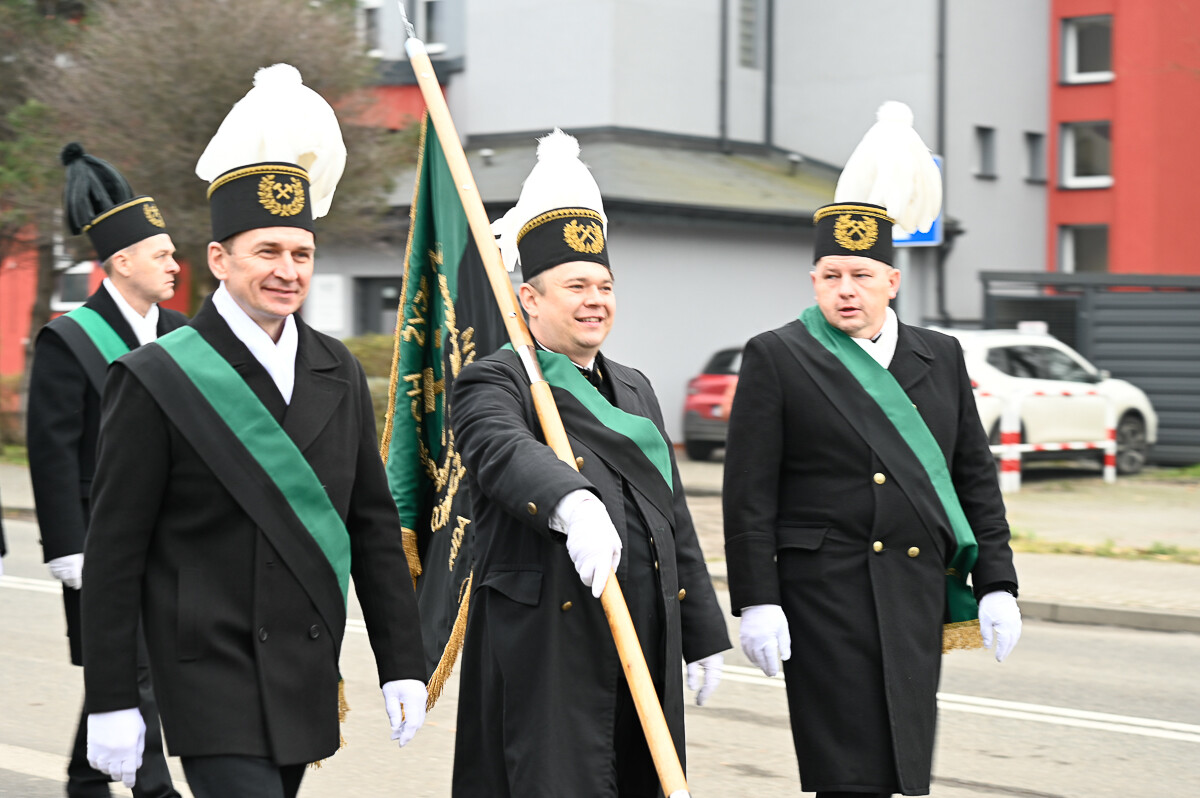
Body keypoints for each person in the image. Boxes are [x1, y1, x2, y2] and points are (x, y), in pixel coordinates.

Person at [79, 65, 427, 798]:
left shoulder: (336, 368)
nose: (287, 271)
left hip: (303, 664)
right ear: (219, 259)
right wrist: (112, 697)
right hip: (206, 670)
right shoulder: (157, 377)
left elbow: (369, 523)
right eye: (266, 252)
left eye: (301, 253)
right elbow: (116, 549)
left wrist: (402, 659)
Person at [722, 102, 1023, 798]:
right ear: (813, 281)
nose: (846, 289)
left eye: (861, 274)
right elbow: (749, 493)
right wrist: (756, 599)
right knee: (846, 769)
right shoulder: (778, 355)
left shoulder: (938, 356)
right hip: (822, 592)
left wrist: (998, 582)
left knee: (906, 759)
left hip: (913, 592)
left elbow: (972, 475)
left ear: (892, 280)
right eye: (831, 275)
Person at [449, 130, 731, 797]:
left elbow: (671, 512)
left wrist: (701, 627)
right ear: (530, 299)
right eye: (575, 285)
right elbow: (502, 450)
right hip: (547, 643)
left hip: (643, 632)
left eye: (604, 285)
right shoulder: (496, 380)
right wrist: (571, 502)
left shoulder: (634, 387)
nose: (595, 299)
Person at [27, 143, 186, 798]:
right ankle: (154, 788)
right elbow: (52, 446)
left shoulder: (180, 330)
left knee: (132, 665)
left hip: (169, 531)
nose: (175, 264)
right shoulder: (70, 337)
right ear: (121, 262)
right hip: (97, 534)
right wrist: (65, 545)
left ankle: (84, 779)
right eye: (162, 255)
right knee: (133, 661)